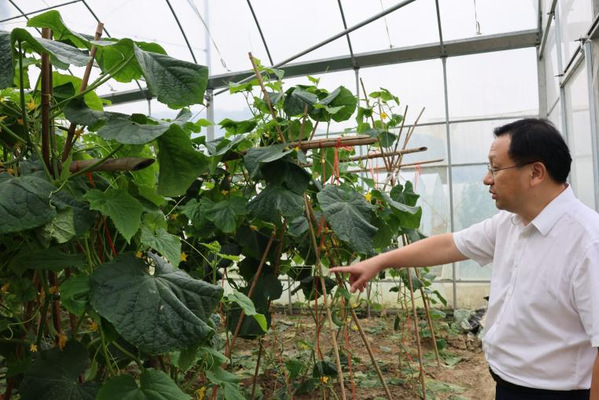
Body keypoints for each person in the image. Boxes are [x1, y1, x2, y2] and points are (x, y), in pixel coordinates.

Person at [330, 119, 599, 400]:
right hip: (510, 386)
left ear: (535, 173)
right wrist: (378, 262)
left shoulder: (588, 242)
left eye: (495, 168)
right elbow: (449, 245)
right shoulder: (510, 223)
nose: (487, 179)